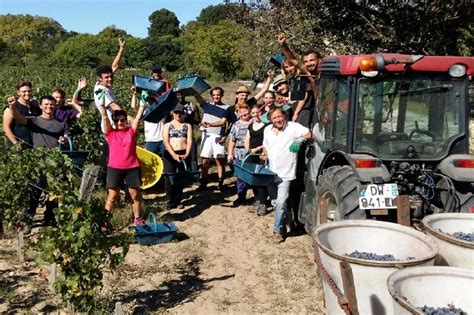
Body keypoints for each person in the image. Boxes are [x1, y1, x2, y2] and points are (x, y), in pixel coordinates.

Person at [7, 95, 69, 227]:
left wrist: (64, 141)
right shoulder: (34, 121)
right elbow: (18, 117)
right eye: (46, 104)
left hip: (55, 163)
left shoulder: (61, 123)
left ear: (55, 106)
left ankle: (50, 219)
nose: (49, 107)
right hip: (39, 162)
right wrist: (12, 106)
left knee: (55, 194)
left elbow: (66, 138)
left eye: (51, 104)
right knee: (34, 192)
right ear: (40, 106)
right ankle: (27, 220)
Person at [262, 107, 311, 243]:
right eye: (274, 118)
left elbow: (309, 133)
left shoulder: (293, 127)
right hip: (271, 172)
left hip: (286, 173)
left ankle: (277, 231)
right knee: (275, 202)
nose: (278, 120)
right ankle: (287, 219)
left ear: (284, 116)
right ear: (270, 120)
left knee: (281, 202)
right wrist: (265, 153)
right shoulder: (267, 130)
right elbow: (265, 145)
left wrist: (299, 140)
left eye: (279, 116)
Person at [96, 98, 146, 225]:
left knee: (135, 195)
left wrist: (141, 105)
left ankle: (138, 218)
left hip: (132, 167)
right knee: (112, 196)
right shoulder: (110, 133)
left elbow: (138, 118)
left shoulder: (131, 132)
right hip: (114, 168)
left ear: (126, 121)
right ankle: (105, 222)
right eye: (117, 120)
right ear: (114, 121)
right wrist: (101, 105)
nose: (120, 122)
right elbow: (104, 116)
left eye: (122, 120)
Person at [194, 87, 229, 191]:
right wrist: (192, 87)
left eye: (218, 94)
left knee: (219, 161)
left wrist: (225, 135)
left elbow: (228, 123)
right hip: (207, 135)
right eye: (213, 95)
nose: (216, 97)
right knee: (205, 161)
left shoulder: (227, 108)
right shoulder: (206, 105)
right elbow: (197, 96)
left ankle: (220, 183)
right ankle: (204, 183)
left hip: (218, 136)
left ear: (222, 95)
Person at [162, 104, 193, 209]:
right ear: (172, 113)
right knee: (169, 176)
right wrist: (174, 155)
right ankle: (169, 200)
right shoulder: (167, 125)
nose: (178, 114)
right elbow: (166, 141)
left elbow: (189, 140)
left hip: (183, 152)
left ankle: (178, 200)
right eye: (176, 112)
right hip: (170, 153)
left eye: (180, 112)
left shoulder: (187, 125)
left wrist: (187, 153)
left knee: (180, 177)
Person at [94, 38, 126, 129]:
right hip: (111, 127)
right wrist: (128, 118)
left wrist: (121, 49)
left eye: (111, 76)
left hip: (115, 124)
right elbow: (113, 105)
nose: (110, 79)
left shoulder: (101, 83)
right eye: (107, 77)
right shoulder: (101, 90)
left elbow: (114, 66)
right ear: (99, 79)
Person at [244, 105, 270, 215]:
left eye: (257, 112)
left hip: (261, 154)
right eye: (253, 113)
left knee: (260, 179)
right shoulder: (250, 126)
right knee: (252, 178)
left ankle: (263, 203)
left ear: (261, 113)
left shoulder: (267, 126)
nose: (255, 115)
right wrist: (248, 148)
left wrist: (259, 149)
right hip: (252, 154)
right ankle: (257, 200)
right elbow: (247, 139)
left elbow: (267, 141)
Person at [3, 81, 41, 148]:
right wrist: (16, 144)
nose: (27, 93)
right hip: (17, 144)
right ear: (18, 92)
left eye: (29, 91)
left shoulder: (35, 105)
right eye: (24, 91)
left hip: (33, 144)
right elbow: (6, 127)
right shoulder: (12, 107)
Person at [227, 104, 252, 206]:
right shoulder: (236, 124)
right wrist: (229, 153)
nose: (244, 113)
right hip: (239, 153)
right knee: (240, 176)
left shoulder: (254, 122)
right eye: (240, 111)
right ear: (237, 113)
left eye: (245, 110)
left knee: (251, 175)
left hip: (252, 153)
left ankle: (259, 199)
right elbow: (232, 140)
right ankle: (241, 196)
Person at [176, 90, 200, 171]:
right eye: (178, 95)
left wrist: (189, 118)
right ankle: (183, 178)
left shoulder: (191, 105)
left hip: (189, 135)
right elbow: (167, 122)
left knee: (193, 157)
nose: (180, 96)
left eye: (182, 94)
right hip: (177, 137)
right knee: (179, 159)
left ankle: (195, 178)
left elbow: (197, 121)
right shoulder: (173, 107)